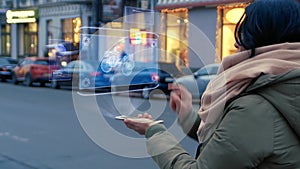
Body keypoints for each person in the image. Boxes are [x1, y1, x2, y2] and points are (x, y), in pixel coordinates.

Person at [124, 0, 300, 168]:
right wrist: (187, 115)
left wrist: (155, 133)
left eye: (245, 34)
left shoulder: (255, 108)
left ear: (261, 39)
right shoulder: (285, 83)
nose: (236, 44)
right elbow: (234, 145)